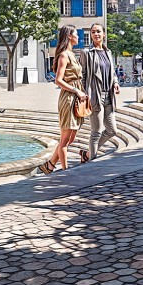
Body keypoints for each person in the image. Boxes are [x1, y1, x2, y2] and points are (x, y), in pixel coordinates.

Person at [42, 26, 85, 174]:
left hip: (76, 97)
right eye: (76, 34)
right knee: (65, 140)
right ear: (69, 37)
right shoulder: (64, 56)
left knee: (70, 138)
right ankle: (66, 172)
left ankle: (50, 165)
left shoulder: (71, 54)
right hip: (69, 98)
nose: (78, 37)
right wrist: (76, 90)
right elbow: (58, 80)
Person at [83, 24, 120, 156]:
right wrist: (84, 94)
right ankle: (90, 163)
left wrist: (115, 82)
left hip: (109, 96)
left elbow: (113, 72)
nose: (96, 34)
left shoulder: (108, 52)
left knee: (112, 130)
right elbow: (83, 75)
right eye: (93, 32)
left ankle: (88, 154)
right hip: (95, 96)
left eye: (98, 31)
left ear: (104, 34)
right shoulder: (87, 53)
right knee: (96, 132)